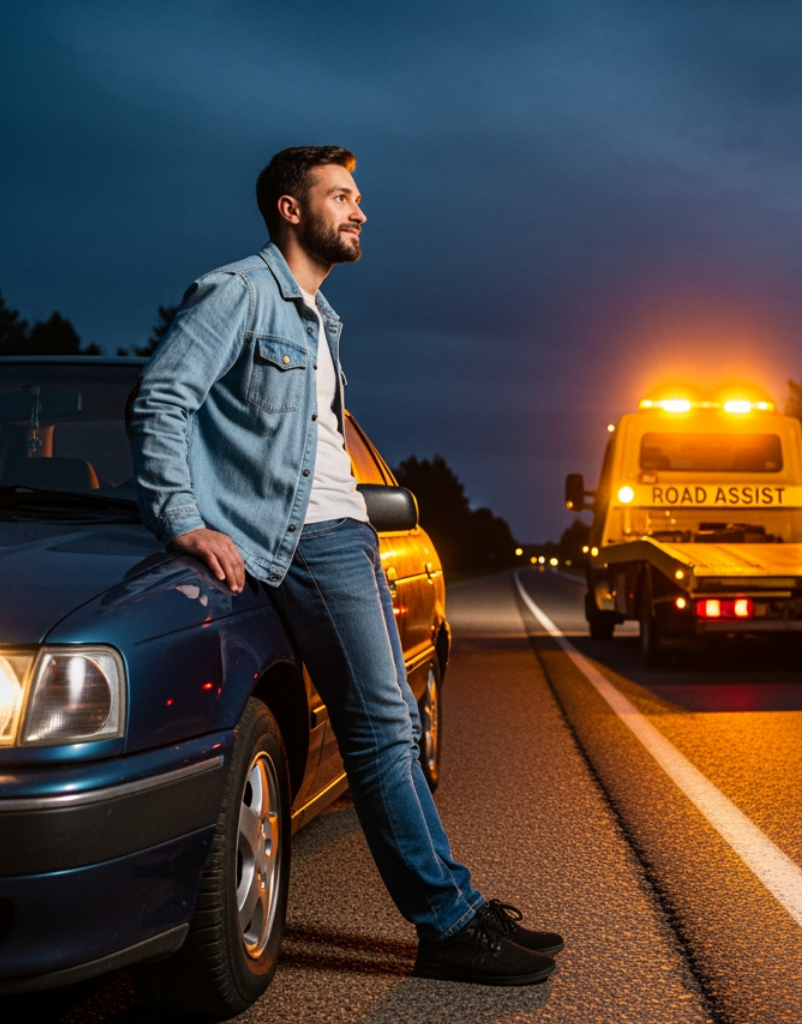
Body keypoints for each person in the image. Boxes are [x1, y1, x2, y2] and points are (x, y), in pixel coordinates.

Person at [128, 145, 561, 985]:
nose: (360, 211)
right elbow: (161, 398)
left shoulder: (320, 321)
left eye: (359, 197)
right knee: (383, 729)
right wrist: (183, 520)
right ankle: (446, 919)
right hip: (306, 543)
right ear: (292, 210)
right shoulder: (239, 293)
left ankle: (458, 906)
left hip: (347, 532)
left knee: (394, 723)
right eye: (341, 196)